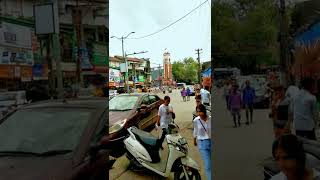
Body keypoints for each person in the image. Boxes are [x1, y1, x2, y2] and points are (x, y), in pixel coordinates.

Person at [193, 104, 212, 180]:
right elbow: (195, 131)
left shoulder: (210, 119)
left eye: (200, 111)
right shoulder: (196, 120)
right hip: (202, 144)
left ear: (204, 111)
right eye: (197, 112)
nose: (199, 114)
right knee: (207, 165)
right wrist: (194, 140)